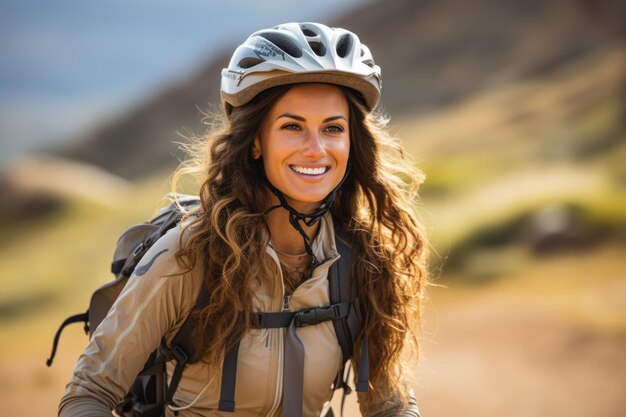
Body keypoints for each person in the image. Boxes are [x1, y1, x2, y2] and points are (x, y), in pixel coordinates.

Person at [59, 22, 428, 417]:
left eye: (333, 128)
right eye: (292, 127)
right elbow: (87, 395)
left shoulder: (363, 261)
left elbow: (390, 406)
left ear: (352, 142)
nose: (316, 149)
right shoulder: (188, 256)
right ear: (255, 141)